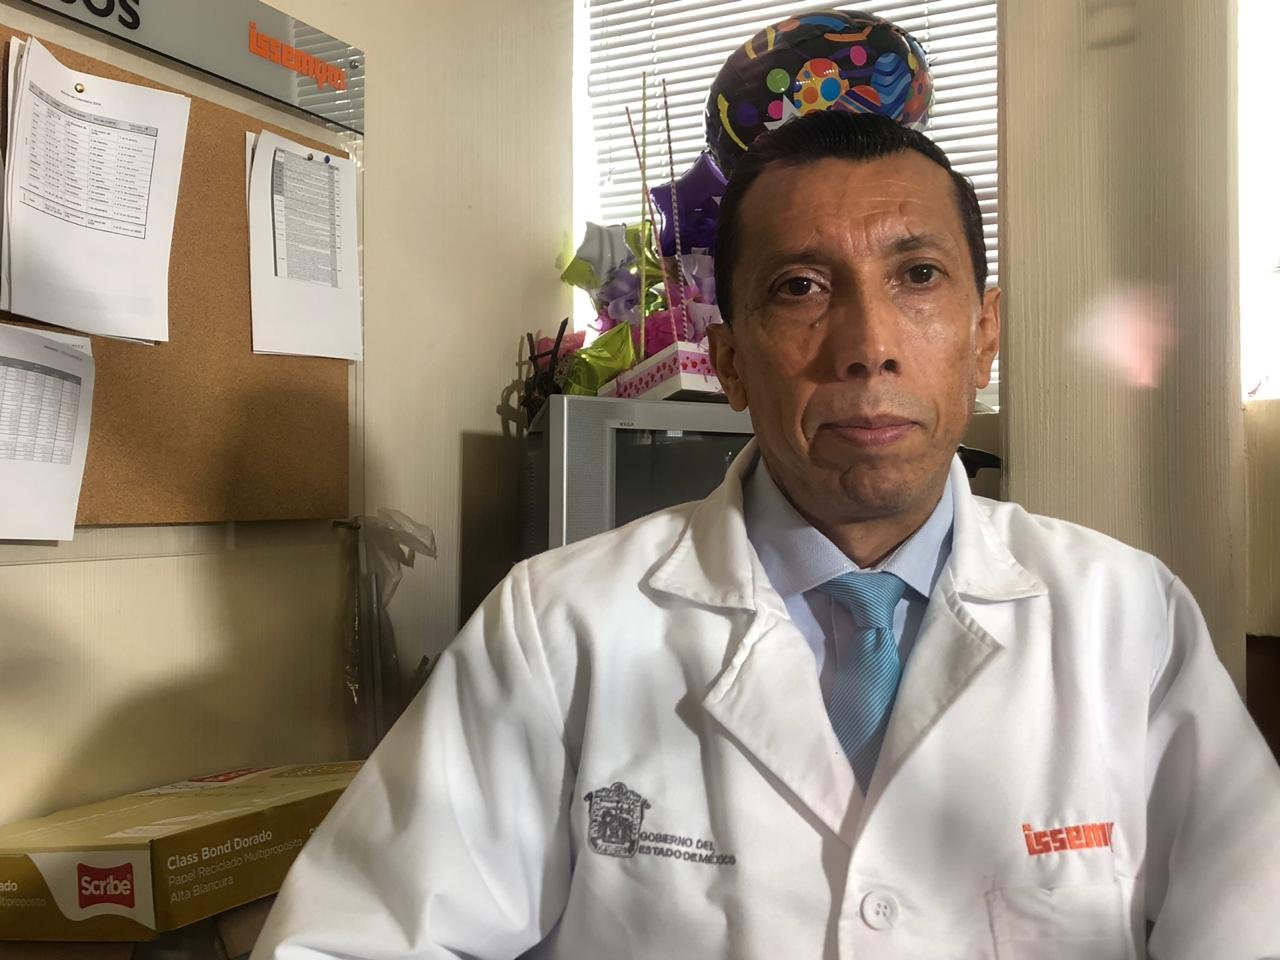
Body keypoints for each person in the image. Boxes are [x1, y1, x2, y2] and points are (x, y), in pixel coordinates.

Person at [251, 112, 1280, 959]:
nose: (867, 346)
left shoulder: (1125, 617)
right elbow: (352, 939)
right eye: (800, 288)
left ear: (984, 337)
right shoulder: (558, 629)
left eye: (918, 276)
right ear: (730, 361)